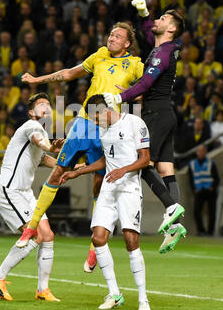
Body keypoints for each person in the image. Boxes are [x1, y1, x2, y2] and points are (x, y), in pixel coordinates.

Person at [16, 22, 144, 272]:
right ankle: (30, 227)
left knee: (100, 183)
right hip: (85, 122)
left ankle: (94, 247)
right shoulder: (99, 55)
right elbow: (68, 73)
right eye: (110, 34)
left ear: (127, 43)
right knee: (58, 172)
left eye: (117, 36)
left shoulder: (137, 64)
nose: (111, 38)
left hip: (109, 128)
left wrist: (131, 94)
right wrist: (37, 80)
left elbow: (146, 89)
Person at [104, 0, 187, 253]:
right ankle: (176, 225)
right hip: (166, 113)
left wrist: (120, 97)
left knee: (142, 163)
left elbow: (146, 84)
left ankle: (172, 208)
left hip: (155, 114)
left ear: (171, 28)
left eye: (163, 19)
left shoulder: (163, 52)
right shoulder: (164, 47)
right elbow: (148, 30)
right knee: (165, 168)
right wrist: (144, 14)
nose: (157, 21)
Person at [60, 94, 151, 310]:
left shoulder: (134, 123)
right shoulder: (102, 130)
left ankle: (143, 298)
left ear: (105, 110)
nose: (95, 122)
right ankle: (114, 294)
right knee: (98, 238)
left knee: (131, 241)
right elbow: (105, 160)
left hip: (129, 189)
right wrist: (78, 172)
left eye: (96, 118)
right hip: (109, 189)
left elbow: (145, 158)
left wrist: (124, 169)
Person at [0, 93, 64, 302]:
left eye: (48, 104)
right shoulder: (32, 127)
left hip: (25, 193)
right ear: (32, 112)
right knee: (36, 234)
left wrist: (73, 167)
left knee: (47, 235)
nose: (45, 107)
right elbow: (41, 144)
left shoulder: (42, 131)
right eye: (41, 105)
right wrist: (50, 147)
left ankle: (42, 290)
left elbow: (44, 158)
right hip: (10, 190)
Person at [188, 144, 220, 236]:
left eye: (202, 151)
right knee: (196, 211)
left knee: (212, 211)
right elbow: (190, 179)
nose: (200, 153)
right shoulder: (192, 164)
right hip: (199, 190)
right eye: (199, 151)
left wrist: (213, 187)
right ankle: (201, 231)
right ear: (196, 152)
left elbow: (216, 178)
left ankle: (210, 231)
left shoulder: (211, 163)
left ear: (205, 152)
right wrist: (194, 189)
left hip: (210, 190)